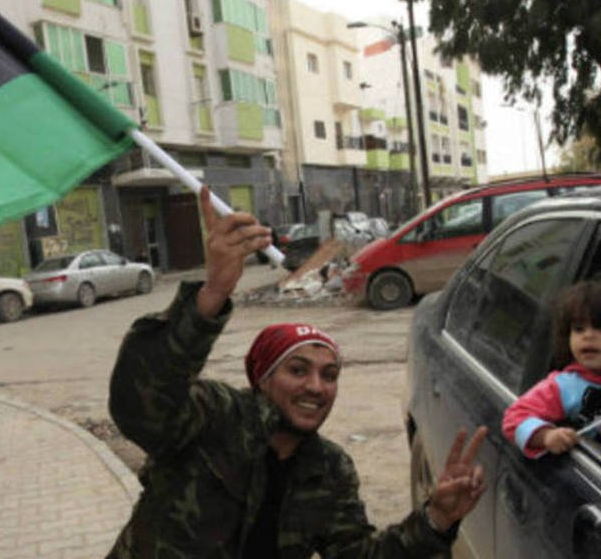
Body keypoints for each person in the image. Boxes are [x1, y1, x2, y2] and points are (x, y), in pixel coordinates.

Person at [107, 186, 487, 558]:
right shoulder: (214, 418)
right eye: (298, 369)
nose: (316, 387)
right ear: (263, 378)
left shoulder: (329, 469)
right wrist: (211, 296)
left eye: (329, 374)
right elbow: (140, 404)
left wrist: (436, 518)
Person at [503, 280, 601, 457]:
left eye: (599, 327)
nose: (588, 335)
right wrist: (546, 436)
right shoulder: (563, 386)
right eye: (579, 329)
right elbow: (514, 419)